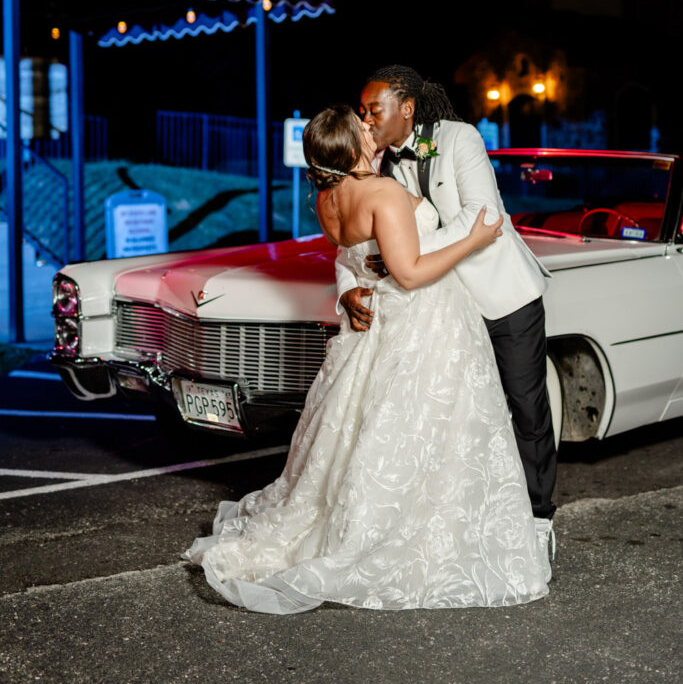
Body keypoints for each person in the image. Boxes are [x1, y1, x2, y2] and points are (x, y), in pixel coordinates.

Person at [184, 105, 548, 613]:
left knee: (373, 430)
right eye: (362, 128)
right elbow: (412, 273)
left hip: (373, 326)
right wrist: (473, 239)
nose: (370, 127)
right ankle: (413, 531)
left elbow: (349, 255)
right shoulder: (383, 192)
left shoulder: (325, 197)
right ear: (352, 149)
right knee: (430, 428)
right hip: (422, 321)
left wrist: (353, 286)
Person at [336, 65, 557, 579]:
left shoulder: (460, 138)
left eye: (374, 109)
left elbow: (483, 215)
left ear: (406, 108)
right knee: (453, 422)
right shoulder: (372, 165)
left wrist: (402, 255)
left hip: (504, 298)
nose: (365, 119)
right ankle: (464, 525)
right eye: (362, 111)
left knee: (526, 407)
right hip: (437, 312)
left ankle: (540, 518)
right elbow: (350, 245)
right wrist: (346, 288)